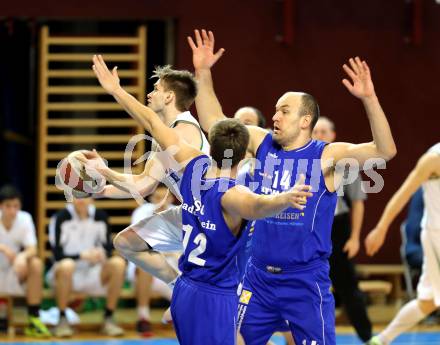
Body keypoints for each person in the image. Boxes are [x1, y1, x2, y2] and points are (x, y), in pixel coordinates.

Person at [188, 29, 396, 345]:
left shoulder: (327, 155)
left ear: (305, 120)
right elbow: (214, 122)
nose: (274, 116)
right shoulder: (262, 144)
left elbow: (385, 151)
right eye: (274, 110)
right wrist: (202, 72)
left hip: (304, 281)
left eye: (284, 111)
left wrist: (370, 99)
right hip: (257, 279)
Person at [84, 56, 210, 289]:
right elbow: (145, 183)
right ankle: (177, 287)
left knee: (224, 295)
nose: (150, 94)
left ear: (170, 96)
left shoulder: (184, 131)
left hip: (212, 218)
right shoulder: (164, 136)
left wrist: (116, 90)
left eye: (156, 89)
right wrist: (101, 190)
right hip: (189, 213)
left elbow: (141, 186)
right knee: (126, 242)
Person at [365, 143, 440, 345]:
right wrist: (381, 228)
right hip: (436, 236)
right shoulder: (434, 159)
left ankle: (381, 340)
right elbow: (403, 194)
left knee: (427, 302)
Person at [312, 116, 372, 342]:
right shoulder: (303, 159)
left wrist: (355, 237)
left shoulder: (346, 163)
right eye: (315, 131)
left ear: (333, 135)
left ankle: (367, 337)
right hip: (309, 228)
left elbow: (357, 202)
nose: (319, 136)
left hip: (338, 228)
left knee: (348, 286)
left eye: (324, 132)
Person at [47, 197, 126, 337]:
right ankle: (62, 319)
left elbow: (108, 249)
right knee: (66, 265)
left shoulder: (101, 216)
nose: (81, 200)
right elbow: (57, 255)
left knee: (118, 263)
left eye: (85, 196)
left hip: (92, 273)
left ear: (92, 198)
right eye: (77, 196)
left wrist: (101, 254)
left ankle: (109, 317)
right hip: (65, 274)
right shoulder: (61, 217)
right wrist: (82, 256)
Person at [0, 185, 51, 337]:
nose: (12, 211)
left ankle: (34, 319)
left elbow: (32, 249)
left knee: (35, 263)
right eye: (8, 206)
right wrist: (2, 247)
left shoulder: (25, 218)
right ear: (1, 206)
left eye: (16, 206)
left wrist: (22, 256)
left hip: (14, 271)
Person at [127, 184, 176, 335]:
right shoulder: (141, 213)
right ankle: (143, 318)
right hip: (146, 270)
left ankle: (184, 320)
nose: (161, 202)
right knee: (144, 264)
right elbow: (139, 245)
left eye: (164, 198)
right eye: (157, 198)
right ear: (152, 198)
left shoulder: (179, 213)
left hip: (173, 268)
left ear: (171, 197)